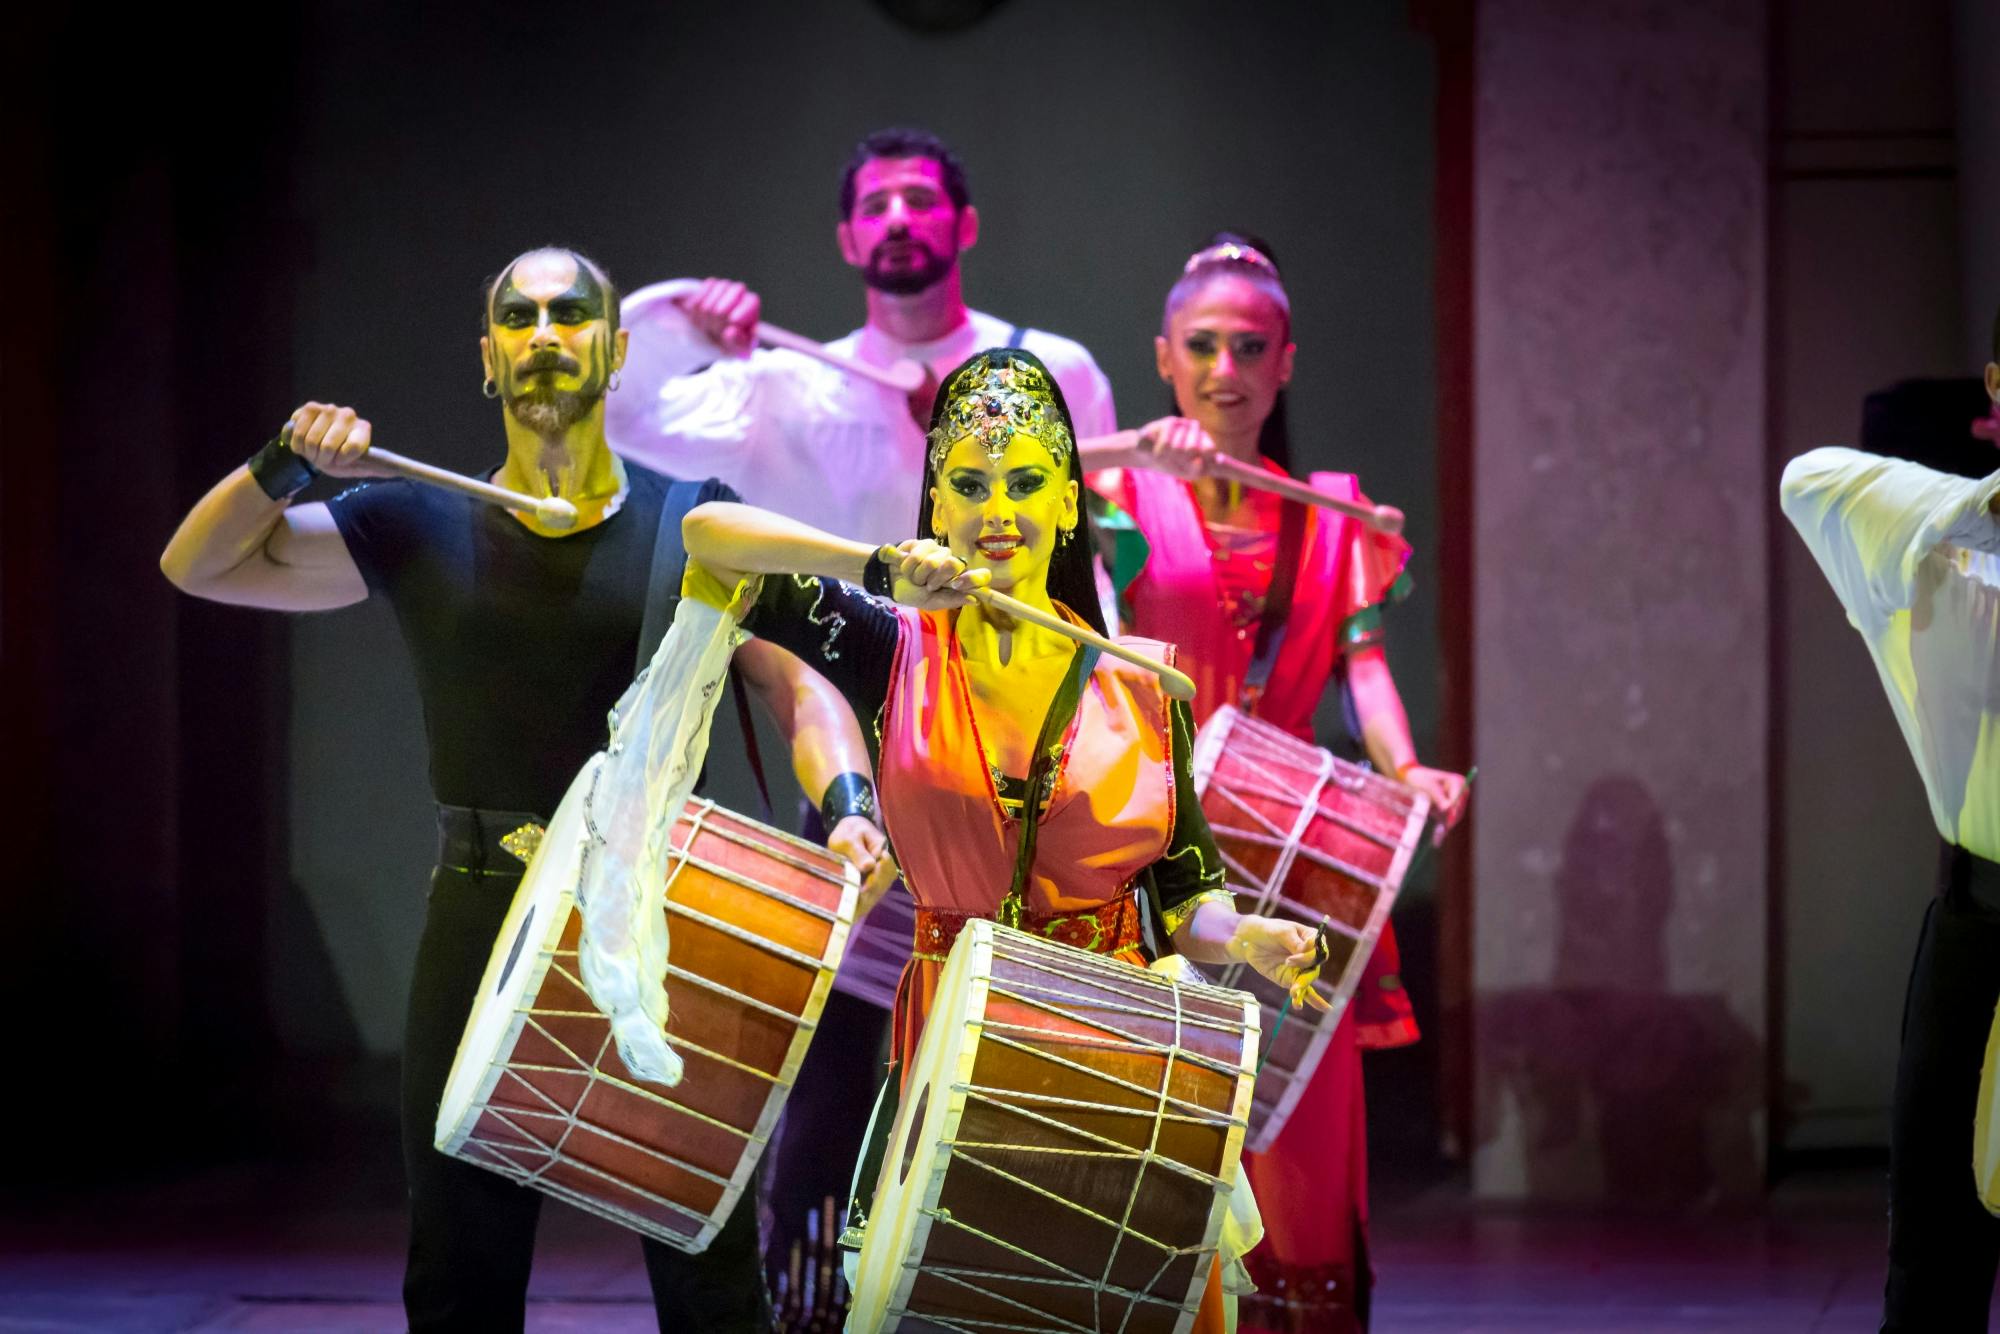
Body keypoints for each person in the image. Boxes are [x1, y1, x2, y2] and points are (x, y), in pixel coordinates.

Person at [158, 247, 887, 1333]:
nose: (544, 331)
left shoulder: (695, 520)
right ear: (489, 360)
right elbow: (199, 564)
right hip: (480, 920)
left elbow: (795, 686)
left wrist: (851, 807)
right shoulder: (412, 521)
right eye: (519, 316)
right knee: (461, 1267)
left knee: (707, 1279)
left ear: (615, 349)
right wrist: (284, 464)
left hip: (661, 917)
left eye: (570, 313)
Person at [678, 348, 1330, 1331]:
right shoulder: (886, 645)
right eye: (970, 485)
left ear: (1067, 504)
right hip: (951, 1028)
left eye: (1025, 483)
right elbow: (706, 532)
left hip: (1118, 1039)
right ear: (934, 506)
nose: (996, 509)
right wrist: (868, 565)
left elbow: (1188, 900)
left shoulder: (1144, 684)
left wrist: (1245, 937)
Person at [607, 126, 1122, 1304]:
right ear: (846, 239)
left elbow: (1097, 550)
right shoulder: (781, 383)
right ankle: (815, 1296)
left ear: (963, 227)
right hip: (851, 758)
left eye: (921, 200)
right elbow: (623, 406)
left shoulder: (1047, 369)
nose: (898, 219)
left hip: (1017, 768)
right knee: (839, 1052)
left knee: (1009, 1057)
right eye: (876, 204)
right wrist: (688, 316)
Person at [1081, 234, 1469, 1333]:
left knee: (1298, 1128)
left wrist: (1407, 768)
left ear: (1284, 362)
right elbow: (994, 477)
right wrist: (1128, 452)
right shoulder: (1115, 488)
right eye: (1200, 345)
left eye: (1248, 345)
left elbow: (1364, 666)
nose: (1223, 367)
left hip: (1296, 860)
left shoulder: (1332, 513)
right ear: (1163, 356)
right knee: (1172, 1121)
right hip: (1159, 837)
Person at [1780, 326, 2000, 1333]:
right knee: (1932, 1249)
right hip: (1975, 925)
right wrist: (1978, 500)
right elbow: (1808, 478)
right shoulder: (1954, 544)